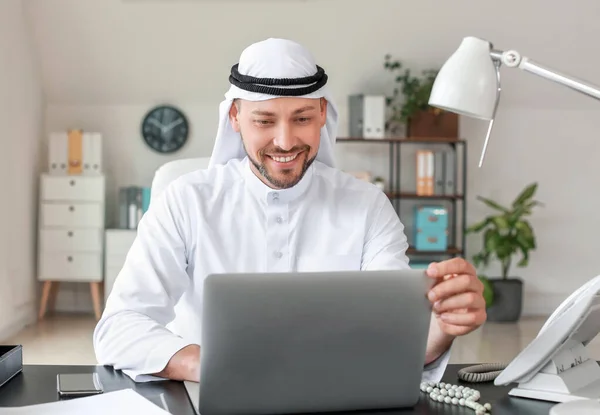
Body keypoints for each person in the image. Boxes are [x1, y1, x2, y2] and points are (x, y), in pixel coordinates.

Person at [93, 38, 486, 384]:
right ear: (235, 118)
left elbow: (395, 340)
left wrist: (441, 329)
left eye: (301, 119)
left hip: (336, 395)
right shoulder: (185, 201)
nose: (285, 141)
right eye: (264, 121)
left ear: (321, 116)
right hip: (208, 397)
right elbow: (119, 328)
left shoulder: (368, 207)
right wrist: (205, 364)